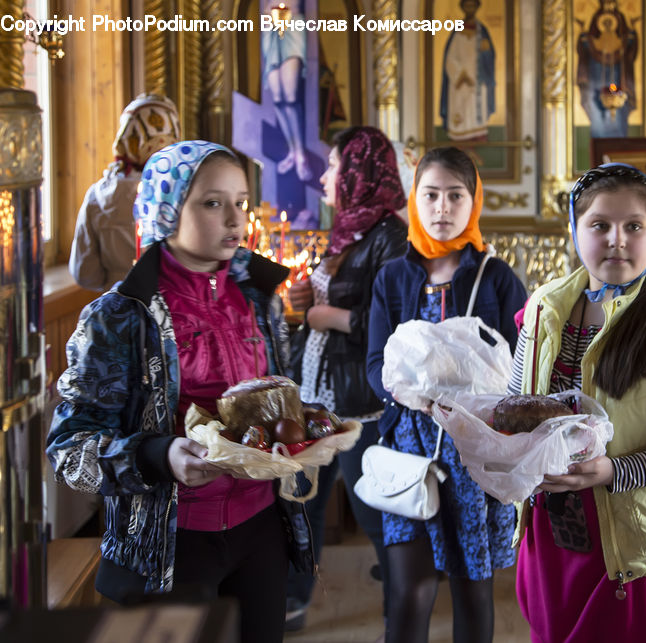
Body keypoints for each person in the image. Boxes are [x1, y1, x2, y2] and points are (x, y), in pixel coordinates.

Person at [47, 141, 313, 643]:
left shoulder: (260, 299)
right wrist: (160, 455)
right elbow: (69, 450)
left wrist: (302, 432)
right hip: (169, 545)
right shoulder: (121, 316)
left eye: (241, 201)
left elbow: (277, 403)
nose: (235, 218)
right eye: (212, 203)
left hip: (260, 530)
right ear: (168, 209)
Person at [509, 163, 646, 643]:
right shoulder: (543, 310)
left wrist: (612, 471)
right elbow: (517, 403)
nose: (617, 240)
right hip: (551, 541)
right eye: (599, 225)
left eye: (633, 226)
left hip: (631, 549)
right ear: (575, 229)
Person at [366, 147, 527, 643]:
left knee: (471, 591)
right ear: (415, 200)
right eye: (430, 195)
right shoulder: (393, 277)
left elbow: (522, 364)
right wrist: (415, 395)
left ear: (473, 201)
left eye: (455, 196)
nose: (441, 208)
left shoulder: (495, 278)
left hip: (472, 452)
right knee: (408, 590)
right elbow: (376, 365)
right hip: (410, 449)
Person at [284, 126, 408, 632]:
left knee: (371, 506)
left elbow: (396, 327)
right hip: (316, 393)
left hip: (359, 400)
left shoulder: (392, 239)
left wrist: (327, 317)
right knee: (300, 497)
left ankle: (401, 606)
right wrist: (304, 305)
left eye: (334, 165)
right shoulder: (347, 233)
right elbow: (328, 299)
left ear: (360, 172)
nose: (325, 174)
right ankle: (292, 599)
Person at [69, 93, 180, 291]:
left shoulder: (97, 195)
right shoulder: (182, 190)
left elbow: (85, 273)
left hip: (117, 306)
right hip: (173, 306)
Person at [262, 0, 312, 181]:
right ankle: (292, 150)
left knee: (290, 97)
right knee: (277, 97)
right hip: (271, 27)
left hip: (292, 24)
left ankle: (300, 153)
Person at [575, 5, 637, 138]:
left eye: (610, 22)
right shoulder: (591, 42)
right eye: (605, 23)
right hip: (596, 81)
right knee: (596, 116)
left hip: (618, 87)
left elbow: (631, 50)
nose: (608, 25)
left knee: (619, 121)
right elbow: (584, 47)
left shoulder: (623, 42)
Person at [439, 0, 496, 142]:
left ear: (477, 7)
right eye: (467, 5)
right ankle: (461, 148)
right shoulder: (457, 31)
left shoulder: (482, 31)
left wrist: (486, 51)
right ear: (462, 7)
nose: (470, 9)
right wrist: (461, 75)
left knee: (476, 113)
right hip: (459, 82)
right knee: (461, 112)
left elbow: (490, 57)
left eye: (472, 5)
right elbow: (450, 57)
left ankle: (475, 148)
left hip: (478, 81)